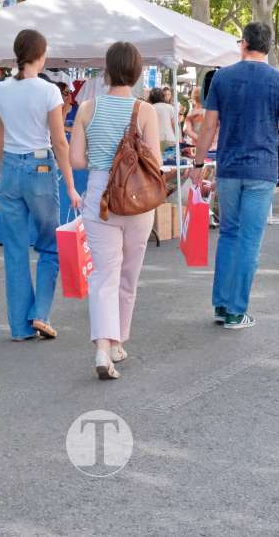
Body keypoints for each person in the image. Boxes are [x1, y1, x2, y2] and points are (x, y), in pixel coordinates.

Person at [188, 22, 279, 330]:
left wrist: (198, 165)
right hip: (261, 169)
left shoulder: (222, 78)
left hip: (228, 168)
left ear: (243, 45)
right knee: (249, 241)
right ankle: (237, 311)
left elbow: (209, 127)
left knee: (228, 235)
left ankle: (222, 303)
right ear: (269, 47)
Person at [69, 42, 160, 380]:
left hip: (99, 195)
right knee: (129, 274)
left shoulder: (87, 108)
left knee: (103, 274)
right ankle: (119, 340)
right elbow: (156, 162)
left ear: (106, 70)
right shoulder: (145, 111)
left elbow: (77, 160)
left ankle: (103, 349)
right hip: (137, 199)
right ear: (137, 73)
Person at [0, 29, 81, 341]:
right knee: (49, 245)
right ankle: (40, 313)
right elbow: (59, 141)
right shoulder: (48, 92)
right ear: (40, 56)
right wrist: (70, 185)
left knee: (14, 250)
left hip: (10, 169)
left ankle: (19, 327)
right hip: (40, 166)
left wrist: (2, 176)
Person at [148, 87, 179, 156]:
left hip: (156, 140)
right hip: (170, 139)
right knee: (170, 162)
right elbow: (175, 125)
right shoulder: (170, 107)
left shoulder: (150, 108)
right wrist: (178, 139)